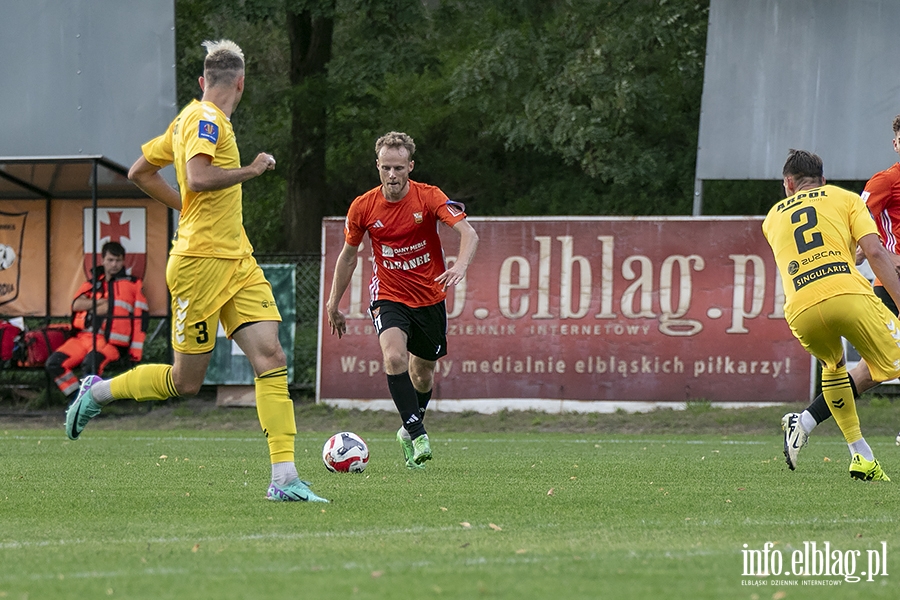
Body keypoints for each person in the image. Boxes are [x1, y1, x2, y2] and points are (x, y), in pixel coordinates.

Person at [64, 39, 327, 503]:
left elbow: (140, 172)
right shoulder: (206, 120)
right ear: (241, 83)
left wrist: (183, 204)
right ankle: (98, 391)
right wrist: (251, 169)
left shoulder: (188, 119)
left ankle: (284, 479)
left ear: (204, 80)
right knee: (186, 383)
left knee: (271, 357)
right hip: (199, 265)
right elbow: (201, 176)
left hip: (237, 260)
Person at [326, 131, 479, 469]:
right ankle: (417, 431)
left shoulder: (429, 197)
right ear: (377, 167)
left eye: (398, 168)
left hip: (429, 297)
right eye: (385, 168)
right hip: (389, 293)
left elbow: (468, 233)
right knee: (394, 357)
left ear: (410, 166)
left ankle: (407, 428)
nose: (392, 175)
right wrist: (333, 303)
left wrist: (460, 264)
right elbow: (349, 256)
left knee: (422, 374)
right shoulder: (363, 207)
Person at [762, 149, 900, 482]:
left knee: (834, 368)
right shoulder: (846, 196)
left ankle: (859, 453)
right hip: (847, 293)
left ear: (789, 183)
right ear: (823, 180)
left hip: (801, 309)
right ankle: (813, 425)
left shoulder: (772, 217)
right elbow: (875, 251)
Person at [46, 242, 146, 401]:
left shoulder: (133, 284)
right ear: (103, 260)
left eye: (118, 261)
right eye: (110, 260)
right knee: (54, 363)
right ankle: (78, 401)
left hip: (110, 342)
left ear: (123, 261)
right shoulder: (92, 283)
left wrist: (135, 353)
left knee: (90, 366)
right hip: (83, 338)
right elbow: (76, 304)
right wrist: (99, 304)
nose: (114, 265)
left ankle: (90, 405)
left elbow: (140, 319)